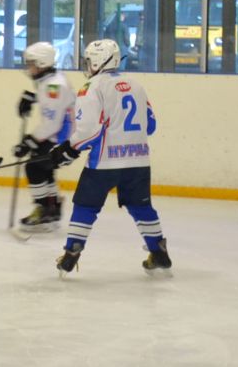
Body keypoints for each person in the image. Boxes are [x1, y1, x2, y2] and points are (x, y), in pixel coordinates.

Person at [48, 38, 171, 278]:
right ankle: (159, 251)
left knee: (86, 205)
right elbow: (151, 125)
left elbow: (89, 131)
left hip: (103, 163)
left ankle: (72, 250)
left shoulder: (91, 87)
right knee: (141, 206)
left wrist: (68, 149)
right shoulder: (136, 85)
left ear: (96, 61)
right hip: (138, 162)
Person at [12, 41, 74, 236]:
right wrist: (33, 97)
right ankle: (52, 207)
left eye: (30, 63)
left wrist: (29, 141)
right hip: (59, 135)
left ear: (41, 63)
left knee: (34, 167)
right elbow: (51, 99)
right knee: (43, 168)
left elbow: (52, 124)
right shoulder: (51, 80)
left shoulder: (53, 85)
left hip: (60, 137)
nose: (28, 67)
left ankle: (43, 209)